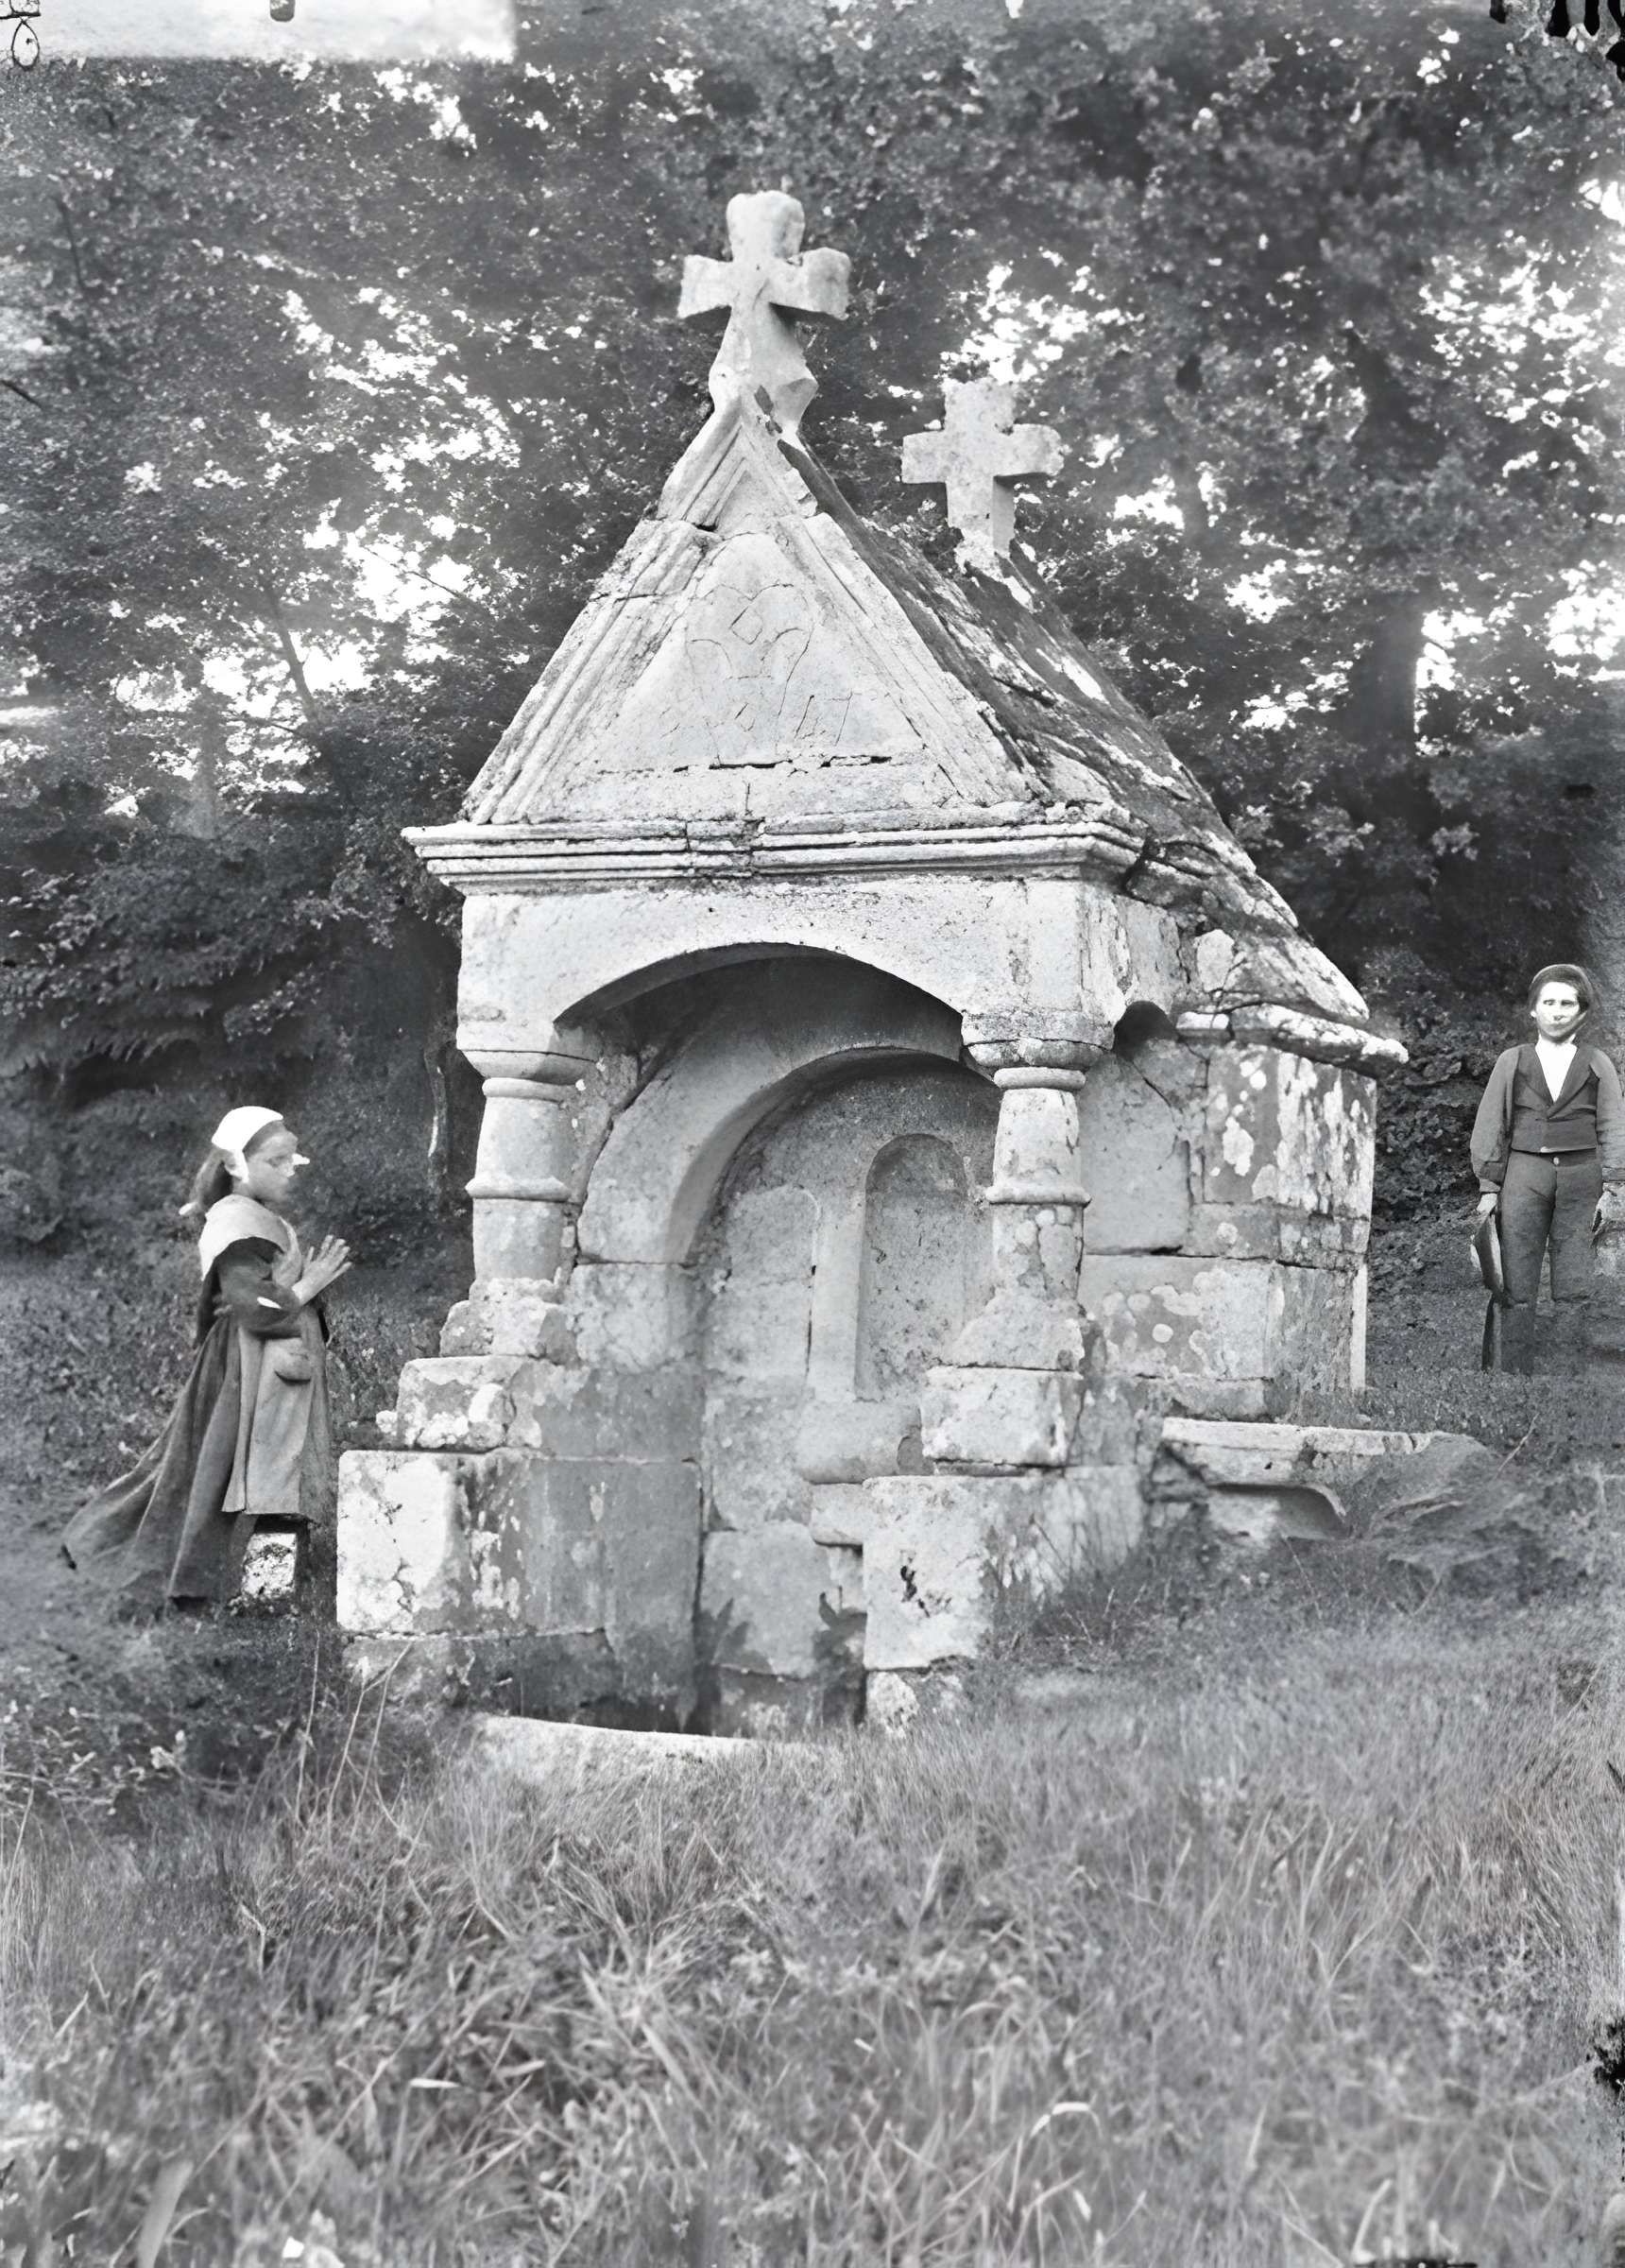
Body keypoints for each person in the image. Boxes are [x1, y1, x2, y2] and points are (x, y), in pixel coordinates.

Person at [61, 1107, 351, 1615]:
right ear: (238, 1165)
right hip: (248, 1366)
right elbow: (253, 1308)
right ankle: (245, 1595)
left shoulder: (261, 1217)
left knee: (258, 1475)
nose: (289, 1172)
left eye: (292, 1162)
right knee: (239, 1475)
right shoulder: (237, 1223)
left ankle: (261, 1593)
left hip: (275, 1365)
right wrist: (313, 1283)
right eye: (276, 1161)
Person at [1469, 965, 1625, 1375]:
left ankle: (1567, 1373)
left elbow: (1612, 1123)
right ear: (1533, 1011)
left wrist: (1614, 1185)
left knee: (1574, 1282)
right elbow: (1492, 1124)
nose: (1557, 1011)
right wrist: (1489, 1187)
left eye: (1567, 1003)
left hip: (1581, 1177)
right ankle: (1511, 1372)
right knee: (1515, 1279)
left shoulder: (1596, 1062)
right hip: (1524, 1176)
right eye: (1549, 1002)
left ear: (1583, 1013)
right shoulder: (1513, 1061)